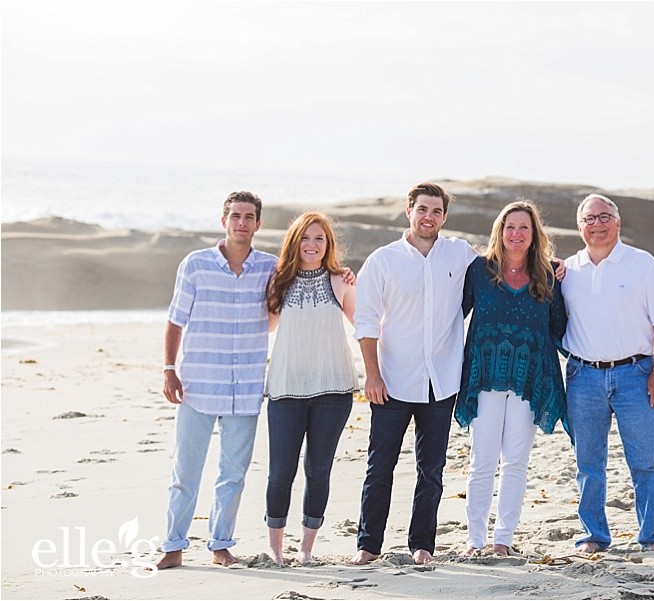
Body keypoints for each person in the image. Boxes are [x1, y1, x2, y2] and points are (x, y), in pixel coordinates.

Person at [350, 182, 478, 565]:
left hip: (441, 382)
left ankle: (422, 545)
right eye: (423, 209)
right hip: (391, 382)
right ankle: (368, 546)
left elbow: (503, 265)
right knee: (380, 467)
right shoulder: (383, 260)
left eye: (437, 211)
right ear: (409, 211)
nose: (429, 217)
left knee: (432, 470)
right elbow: (366, 321)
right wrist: (372, 376)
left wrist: (551, 265)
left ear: (444, 216)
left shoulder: (460, 254)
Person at [157, 191, 277, 569]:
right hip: (196, 384)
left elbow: (310, 274)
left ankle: (220, 544)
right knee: (185, 472)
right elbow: (175, 320)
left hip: (246, 388)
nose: (241, 222)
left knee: (234, 475)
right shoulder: (195, 264)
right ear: (223, 220)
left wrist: (343, 274)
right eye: (235, 216)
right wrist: (168, 369)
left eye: (249, 217)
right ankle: (173, 546)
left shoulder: (270, 267)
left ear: (258, 223)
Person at [560, 193, 654, 557]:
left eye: (604, 216)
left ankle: (652, 537)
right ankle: (593, 536)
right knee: (588, 464)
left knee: (645, 461)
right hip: (583, 377)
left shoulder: (643, 264)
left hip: (636, 375)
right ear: (580, 226)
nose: (597, 224)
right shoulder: (567, 271)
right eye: (589, 219)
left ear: (617, 221)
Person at [455, 200, 568, 557]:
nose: (516, 234)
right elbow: (452, 313)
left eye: (524, 228)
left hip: (528, 379)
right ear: (499, 232)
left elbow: (559, 327)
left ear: (534, 235)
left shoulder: (549, 275)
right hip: (484, 375)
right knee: (482, 461)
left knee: (516, 461)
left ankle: (503, 539)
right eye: (510, 227)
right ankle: (475, 540)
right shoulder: (478, 270)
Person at [264, 212, 357, 565]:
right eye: (306, 237)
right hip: (286, 388)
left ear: (328, 244)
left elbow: (365, 324)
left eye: (320, 238)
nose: (313, 244)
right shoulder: (280, 281)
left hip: (333, 389)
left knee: (318, 469)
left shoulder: (340, 280)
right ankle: (275, 547)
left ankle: (305, 548)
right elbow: (267, 327)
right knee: (281, 471)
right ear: (295, 242)